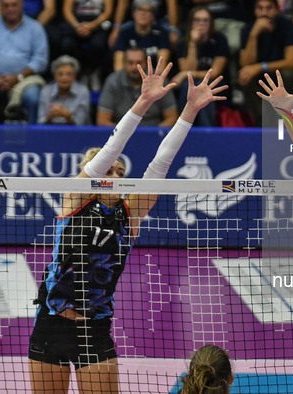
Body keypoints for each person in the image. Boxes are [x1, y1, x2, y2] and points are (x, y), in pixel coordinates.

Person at [28, 59, 228, 394]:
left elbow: (160, 164)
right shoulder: (76, 199)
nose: (115, 175)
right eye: (109, 171)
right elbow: (110, 150)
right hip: (50, 325)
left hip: (95, 329)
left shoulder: (129, 214)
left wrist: (190, 110)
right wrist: (144, 101)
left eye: (121, 173)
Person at [0, 0, 48, 124]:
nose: (10, 9)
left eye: (14, 5)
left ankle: (34, 140)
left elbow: (40, 60)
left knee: (33, 97)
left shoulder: (35, 28)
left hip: (24, 79)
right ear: (0, 7)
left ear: (22, 5)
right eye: (6, 5)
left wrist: (17, 77)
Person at [240, 0, 293, 126]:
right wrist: (254, 34)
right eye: (260, 8)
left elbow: (291, 62)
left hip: (280, 76)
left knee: (288, 74)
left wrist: (261, 66)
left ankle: (289, 122)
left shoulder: (286, 25)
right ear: (255, 10)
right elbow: (246, 64)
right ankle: (262, 126)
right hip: (259, 79)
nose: (264, 13)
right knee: (245, 76)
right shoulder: (248, 29)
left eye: (269, 8)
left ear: (277, 9)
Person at [171, 6, 229, 127]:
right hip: (193, 82)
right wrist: (193, 43)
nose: (201, 24)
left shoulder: (219, 40)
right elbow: (187, 70)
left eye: (205, 20)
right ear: (191, 22)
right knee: (190, 85)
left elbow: (215, 72)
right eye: (197, 20)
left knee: (203, 87)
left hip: (215, 81)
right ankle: (184, 128)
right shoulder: (183, 42)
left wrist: (188, 74)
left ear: (211, 23)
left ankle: (206, 130)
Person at [97, 46, 178, 126]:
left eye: (139, 63)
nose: (134, 67)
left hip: (154, 132)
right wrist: (122, 135)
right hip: (122, 132)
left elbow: (172, 117)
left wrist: (155, 135)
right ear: (124, 63)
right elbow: (102, 120)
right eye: (130, 62)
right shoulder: (113, 81)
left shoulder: (158, 81)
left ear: (146, 63)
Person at [60, 0, 113, 90]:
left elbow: (108, 11)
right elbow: (67, 10)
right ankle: (79, 73)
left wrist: (92, 25)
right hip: (77, 21)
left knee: (98, 44)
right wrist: (77, 26)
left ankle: (92, 71)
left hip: (98, 21)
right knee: (67, 44)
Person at [113, 0, 171, 72]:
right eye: (140, 9)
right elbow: (119, 58)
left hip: (151, 74)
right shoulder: (125, 31)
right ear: (133, 13)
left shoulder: (161, 33)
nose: (143, 13)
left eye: (148, 11)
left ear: (153, 16)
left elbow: (163, 60)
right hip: (128, 75)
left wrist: (157, 79)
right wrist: (121, 80)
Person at [38, 55, 90, 125]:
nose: (64, 78)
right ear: (54, 76)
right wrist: (49, 118)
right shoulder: (46, 91)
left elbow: (81, 123)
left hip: (75, 133)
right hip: (51, 132)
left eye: (69, 74)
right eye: (60, 74)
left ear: (74, 76)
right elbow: (40, 122)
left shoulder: (82, 91)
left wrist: (68, 116)